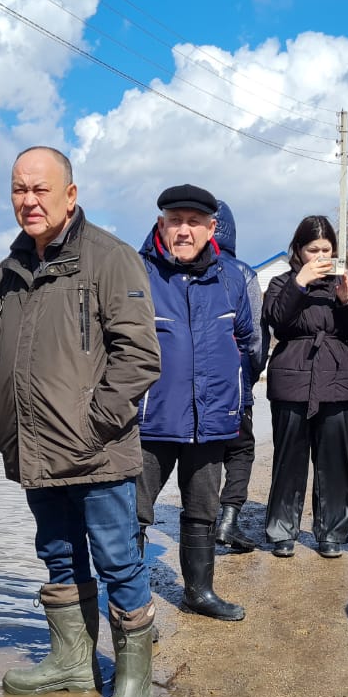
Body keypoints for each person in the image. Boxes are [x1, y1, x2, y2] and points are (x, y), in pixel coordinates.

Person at [0, 146, 161, 697]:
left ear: (70, 194)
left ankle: (133, 683)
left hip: (97, 451)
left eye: (40, 190)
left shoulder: (110, 259)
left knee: (119, 561)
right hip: (33, 448)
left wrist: (95, 424)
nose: (28, 201)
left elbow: (139, 356)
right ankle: (71, 665)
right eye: (18, 190)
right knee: (58, 555)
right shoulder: (10, 269)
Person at [136, 184, 257, 620]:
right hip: (150, 420)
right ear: (160, 224)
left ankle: (199, 593)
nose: (183, 231)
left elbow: (247, 341)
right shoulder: (136, 273)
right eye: (175, 221)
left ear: (211, 229)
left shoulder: (230, 278)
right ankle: (132, 606)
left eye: (193, 222)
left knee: (203, 510)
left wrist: (236, 400)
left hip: (212, 420)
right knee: (134, 514)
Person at [262, 214, 348, 559]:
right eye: (313, 249)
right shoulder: (283, 283)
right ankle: (282, 531)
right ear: (299, 250)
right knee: (289, 459)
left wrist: (346, 300)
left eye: (327, 249)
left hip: (337, 381)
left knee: (334, 461)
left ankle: (332, 532)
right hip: (292, 381)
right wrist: (300, 284)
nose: (321, 256)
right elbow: (278, 322)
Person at [212, 199, 268, 551]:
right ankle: (229, 520)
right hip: (235, 384)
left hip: (190, 390)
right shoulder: (244, 273)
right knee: (240, 451)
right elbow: (257, 339)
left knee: (202, 457)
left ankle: (199, 522)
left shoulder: (178, 269)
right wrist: (252, 374)